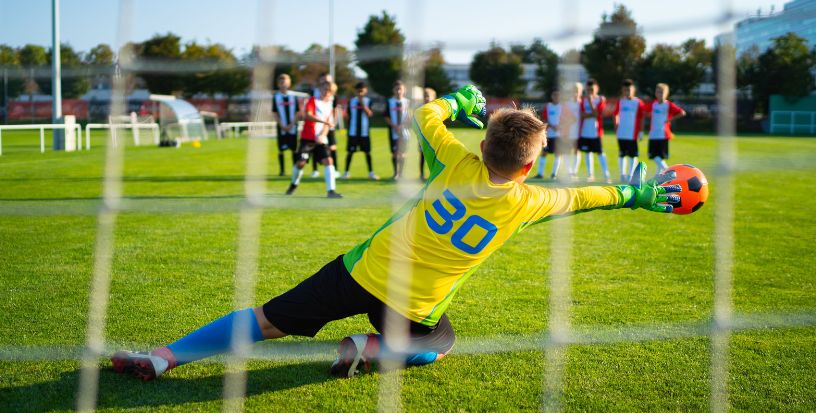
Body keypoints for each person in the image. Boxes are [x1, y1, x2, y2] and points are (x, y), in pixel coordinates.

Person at [111, 85, 680, 381]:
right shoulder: (532, 200)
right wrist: (635, 194)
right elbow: (586, 197)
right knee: (440, 344)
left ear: (483, 144)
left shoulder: (453, 159)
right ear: (531, 165)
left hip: (362, 270)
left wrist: (458, 102)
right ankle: (367, 348)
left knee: (264, 320)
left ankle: (164, 357)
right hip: (413, 305)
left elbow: (424, 116)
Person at [285, 80, 342, 198]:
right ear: (320, 89)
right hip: (307, 139)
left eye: (329, 90)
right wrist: (323, 121)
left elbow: (328, 124)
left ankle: (331, 191)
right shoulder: (313, 100)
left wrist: (322, 135)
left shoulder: (330, 105)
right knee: (300, 163)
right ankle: (293, 184)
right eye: (325, 89)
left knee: (329, 161)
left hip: (321, 140)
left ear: (332, 93)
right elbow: (308, 116)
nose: (326, 92)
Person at [645, 83, 687, 175]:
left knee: (656, 156)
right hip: (653, 134)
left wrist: (670, 119)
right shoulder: (653, 104)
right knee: (656, 157)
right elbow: (644, 111)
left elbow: (682, 112)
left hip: (663, 135)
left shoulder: (669, 105)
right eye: (658, 92)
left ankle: (668, 171)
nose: (659, 94)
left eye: (662, 92)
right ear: (655, 93)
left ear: (666, 94)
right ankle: (658, 177)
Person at [578, 79, 612, 183]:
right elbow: (581, 114)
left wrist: (590, 102)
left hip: (596, 132)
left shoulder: (600, 100)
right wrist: (591, 114)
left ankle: (606, 174)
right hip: (585, 131)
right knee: (587, 153)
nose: (590, 92)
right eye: (588, 90)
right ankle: (590, 174)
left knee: (600, 152)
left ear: (597, 89)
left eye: (592, 90)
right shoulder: (583, 100)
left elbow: (597, 114)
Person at [613, 79, 646, 183]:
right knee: (622, 154)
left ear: (633, 90)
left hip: (632, 134)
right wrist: (616, 126)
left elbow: (642, 117)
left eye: (629, 89)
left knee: (633, 155)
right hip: (622, 133)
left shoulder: (638, 102)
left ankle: (631, 175)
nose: (627, 92)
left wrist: (641, 131)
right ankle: (622, 174)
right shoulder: (620, 102)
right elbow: (615, 114)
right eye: (625, 90)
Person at [344, 82, 378, 180]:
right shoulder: (351, 101)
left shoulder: (368, 101)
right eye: (358, 91)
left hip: (364, 132)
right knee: (350, 152)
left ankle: (371, 173)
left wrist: (362, 104)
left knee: (367, 152)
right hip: (353, 132)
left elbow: (370, 114)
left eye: (361, 91)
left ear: (365, 91)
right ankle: (346, 173)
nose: (360, 93)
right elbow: (348, 116)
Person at [271, 74, 300, 176]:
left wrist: (292, 124)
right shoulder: (276, 97)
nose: (283, 85)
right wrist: (282, 125)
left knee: (294, 149)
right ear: (278, 84)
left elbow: (298, 112)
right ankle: (282, 171)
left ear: (289, 83)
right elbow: (274, 113)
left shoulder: (293, 96)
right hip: (281, 127)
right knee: (281, 149)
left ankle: (295, 169)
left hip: (293, 127)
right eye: (281, 83)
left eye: (285, 82)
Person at [384, 81, 410, 180]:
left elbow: (410, 116)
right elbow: (386, 116)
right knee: (395, 153)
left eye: (400, 89)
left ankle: (402, 174)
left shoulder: (407, 102)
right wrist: (395, 126)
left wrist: (403, 125)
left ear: (404, 90)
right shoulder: (389, 102)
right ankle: (395, 174)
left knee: (403, 154)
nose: (398, 91)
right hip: (393, 132)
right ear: (393, 90)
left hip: (404, 132)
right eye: (396, 89)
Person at [537, 88, 561, 180]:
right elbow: (544, 118)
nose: (556, 97)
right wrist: (550, 125)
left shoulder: (563, 107)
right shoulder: (548, 106)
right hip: (549, 134)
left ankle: (554, 174)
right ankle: (540, 173)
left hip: (559, 135)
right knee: (544, 153)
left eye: (557, 95)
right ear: (552, 96)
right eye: (554, 95)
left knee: (557, 154)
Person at [563, 82, 583, 181]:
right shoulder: (567, 104)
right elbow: (563, 116)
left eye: (577, 90)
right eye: (574, 90)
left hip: (579, 131)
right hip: (568, 131)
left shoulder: (582, 103)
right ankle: (568, 171)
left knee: (577, 150)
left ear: (580, 91)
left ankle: (574, 171)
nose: (575, 92)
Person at [418, 87, 437, 181]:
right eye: (424, 96)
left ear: (433, 97)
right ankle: (421, 175)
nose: (426, 98)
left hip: (433, 136)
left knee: (433, 156)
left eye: (428, 96)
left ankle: (434, 174)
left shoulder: (435, 109)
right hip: (423, 136)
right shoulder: (420, 109)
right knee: (422, 155)